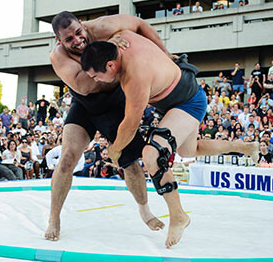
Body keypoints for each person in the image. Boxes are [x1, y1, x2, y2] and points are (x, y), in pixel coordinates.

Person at [81, 30, 258, 247]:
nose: (96, 81)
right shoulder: (123, 36)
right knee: (189, 150)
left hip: (187, 102)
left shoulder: (134, 78)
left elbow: (130, 124)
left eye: (95, 76)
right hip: (178, 94)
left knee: (152, 154)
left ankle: (178, 215)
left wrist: (115, 151)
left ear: (110, 65)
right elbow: (137, 23)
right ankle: (245, 147)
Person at [45, 12, 172, 242]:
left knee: (129, 161)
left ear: (82, 25)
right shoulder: (58, 56)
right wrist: (105, 51)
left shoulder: (103, 26)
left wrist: (165, 54)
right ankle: (54, 218)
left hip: (115, 101)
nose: (77, 40)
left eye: (78, 33)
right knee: (66, 158)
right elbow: (85, 86)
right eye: (69, 39)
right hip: (85, 103)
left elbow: (140, 24)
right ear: (59, 41)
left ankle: (144, 210)